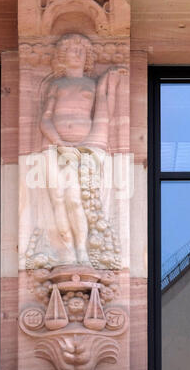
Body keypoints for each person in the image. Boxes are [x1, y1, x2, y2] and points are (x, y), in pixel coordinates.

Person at [40, 33, 126, 266]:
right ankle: (66, 251)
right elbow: (45, 119)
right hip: (54, 147)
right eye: (71, 50)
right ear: (62, 56)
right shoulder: (55, 85)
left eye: (81, 51)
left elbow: (104, 113)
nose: (76, 54)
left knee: (74, 200)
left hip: (83, 149)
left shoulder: (91, 84)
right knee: (57, 198)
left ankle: (82, 250)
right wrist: (59, 142)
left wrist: (110, 83)